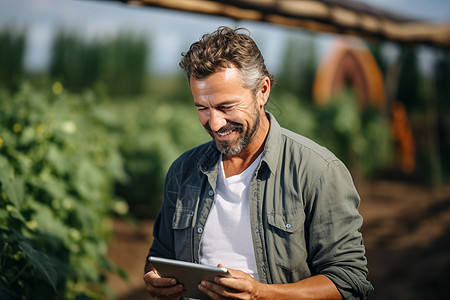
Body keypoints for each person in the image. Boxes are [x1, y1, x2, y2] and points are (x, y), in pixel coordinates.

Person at [143, 26, 374, 300]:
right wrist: (155, 279)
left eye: (226, 107)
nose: (214, 123)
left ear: (262, 91)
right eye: (202, 108)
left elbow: (349, 281)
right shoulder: (183, 171)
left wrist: (262, 294)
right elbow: (160, 255)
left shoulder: (318, 171)